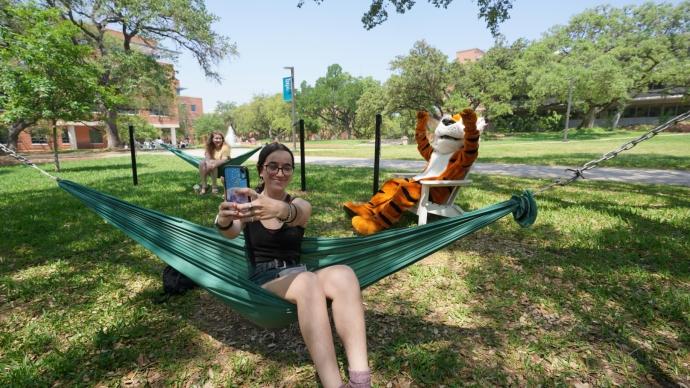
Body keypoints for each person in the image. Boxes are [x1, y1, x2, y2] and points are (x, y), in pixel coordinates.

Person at [214, 143, 371, 388]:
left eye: (287, 168)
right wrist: (223, 219)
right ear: (261, 170)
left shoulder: (298, 203)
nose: (280, 173)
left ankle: (361, 380)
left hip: (297, 275)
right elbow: (231, 231)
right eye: (273, 166)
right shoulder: (246, 203)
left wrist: (276, 208)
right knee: (308, 282)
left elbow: (300, 214)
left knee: (345, 275)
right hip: (265, 279)